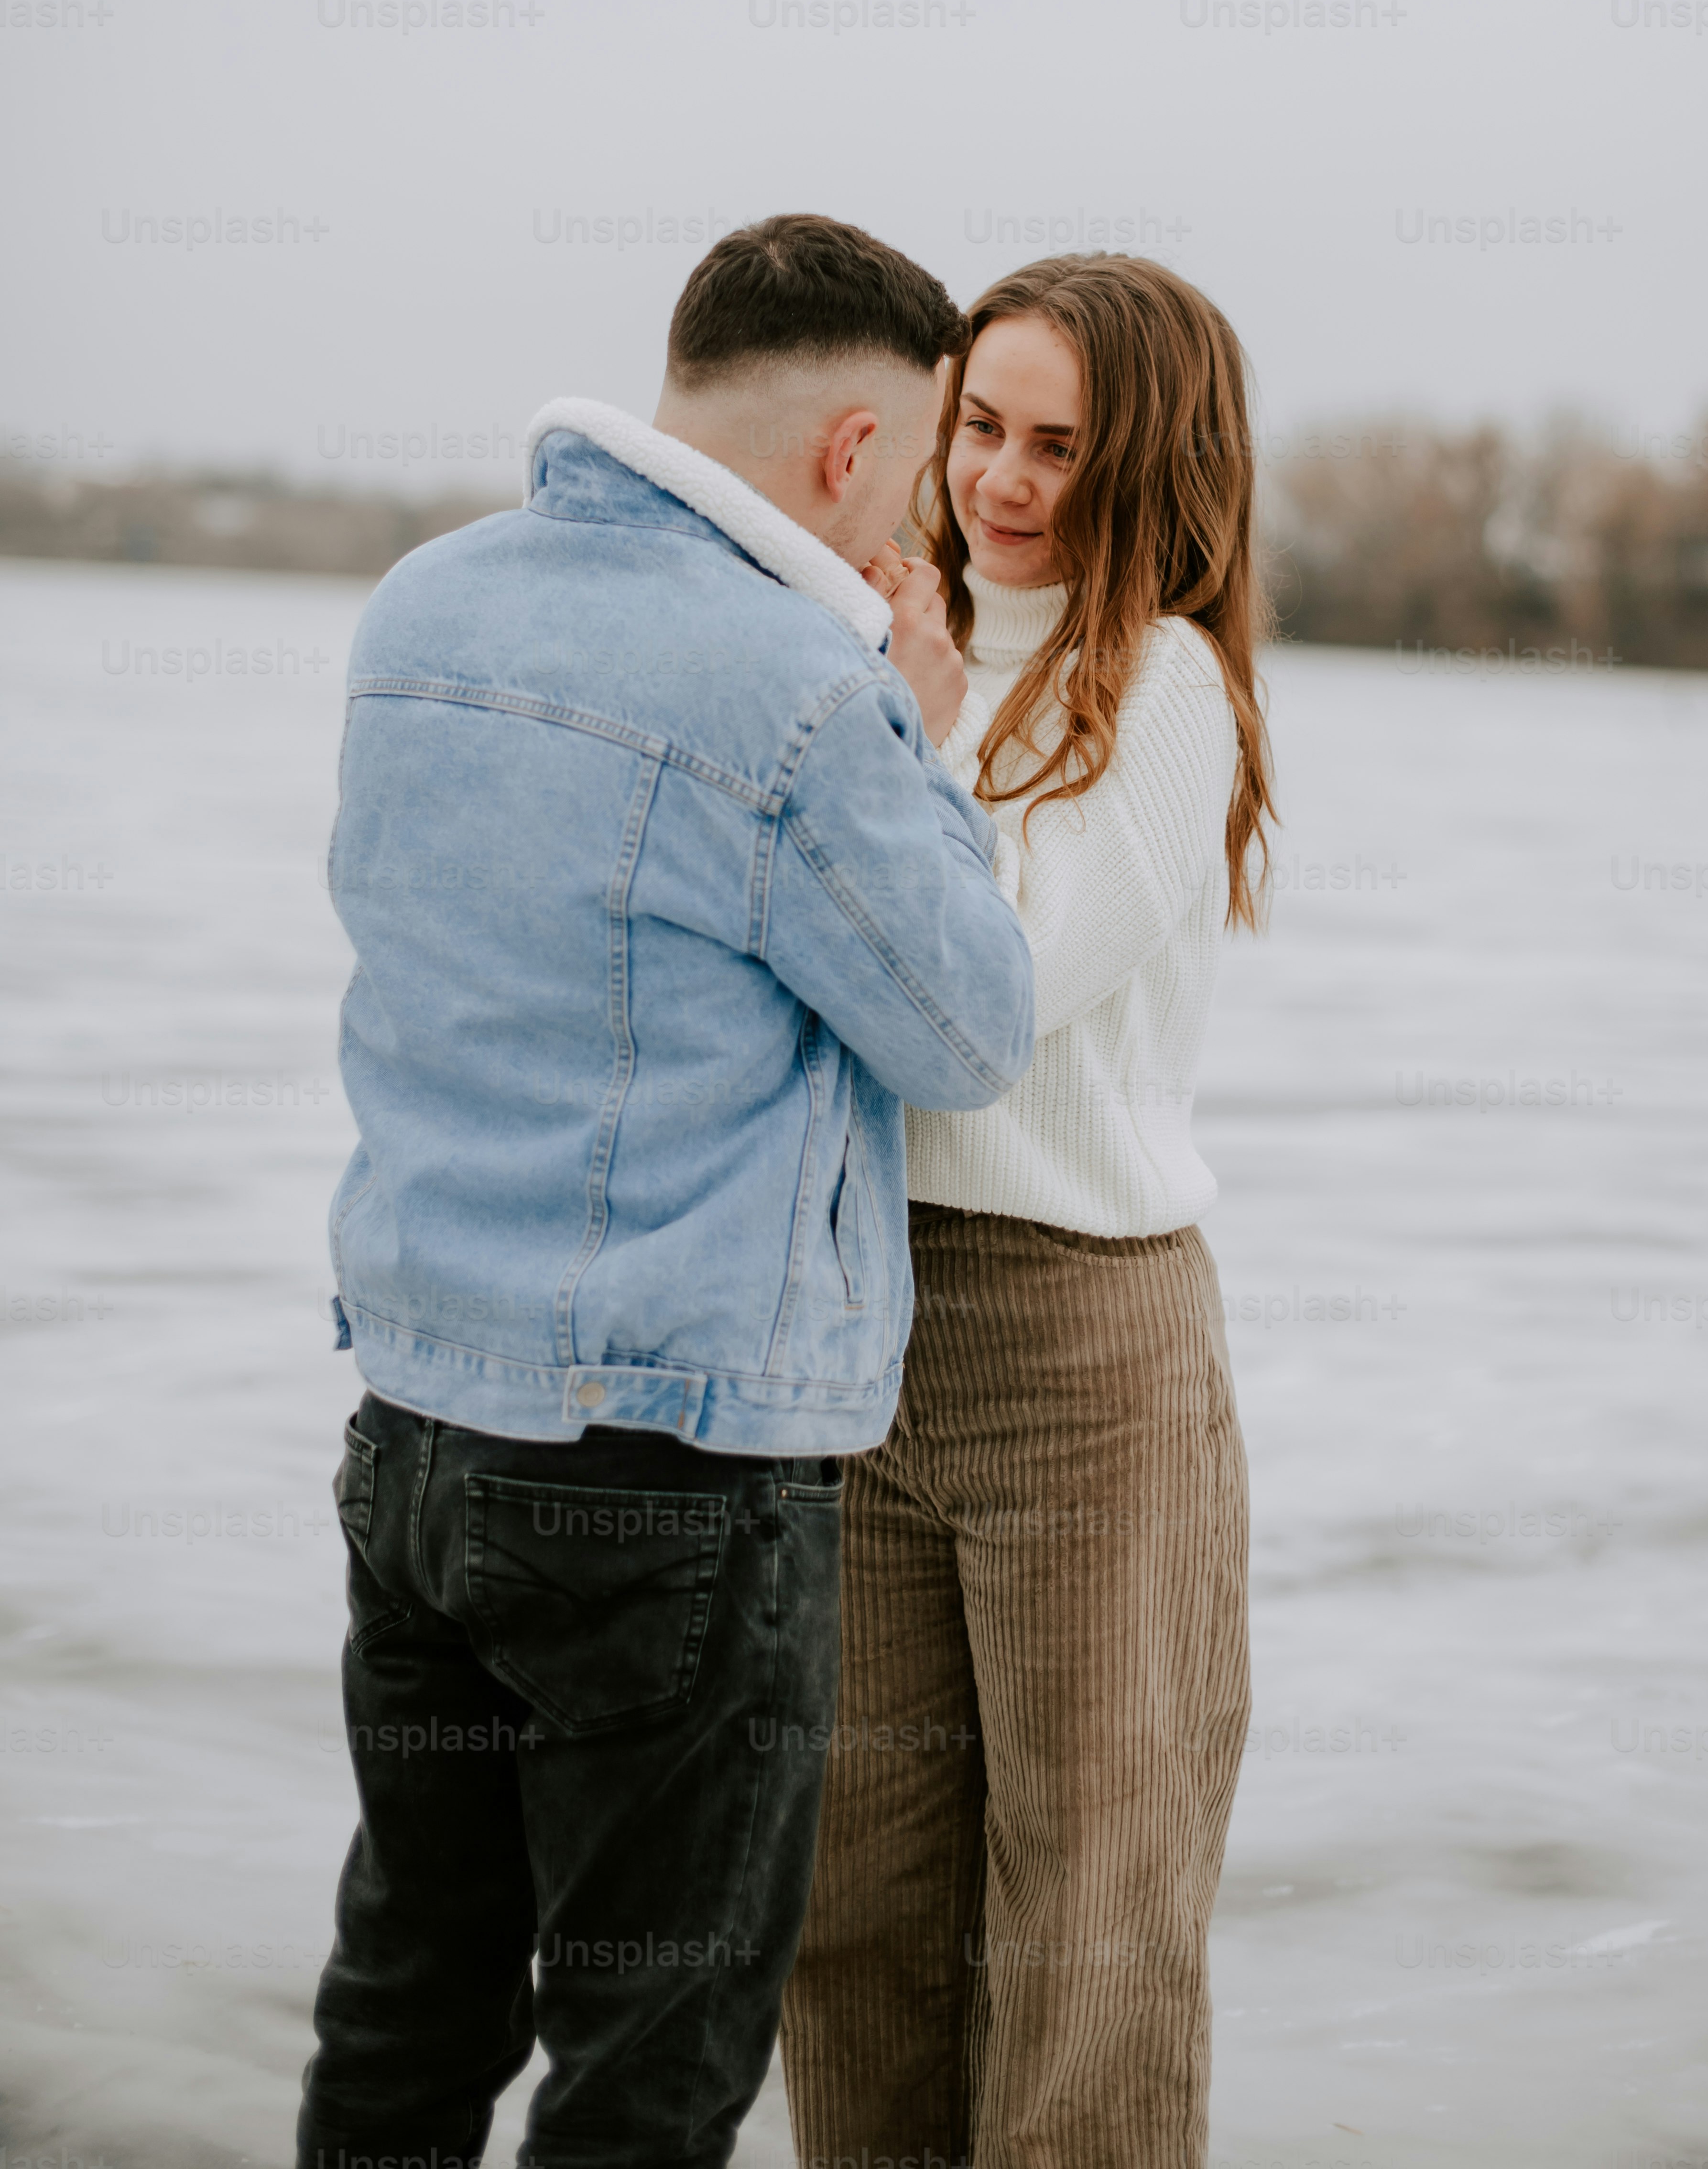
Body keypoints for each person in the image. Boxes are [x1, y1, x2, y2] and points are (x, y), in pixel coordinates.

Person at [296, 216, 1034, 2169]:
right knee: (653, 2054)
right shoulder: (800, 687)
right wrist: (928, 739)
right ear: (854, 448)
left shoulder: (420, 607)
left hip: (413, 1435)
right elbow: (967, 1030)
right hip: (671, 1470)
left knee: (408, 1996)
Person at [782, 252, 1276, 2169]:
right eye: (977, 422)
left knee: (1092, 1934)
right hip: (856, 1332)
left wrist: (901, 721)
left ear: (1146, 460)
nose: (997, 475)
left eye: (1055, 444)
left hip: (1085, 1350)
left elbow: (983, 997)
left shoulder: (1159, 690)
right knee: (854, 1912)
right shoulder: (874, 639)